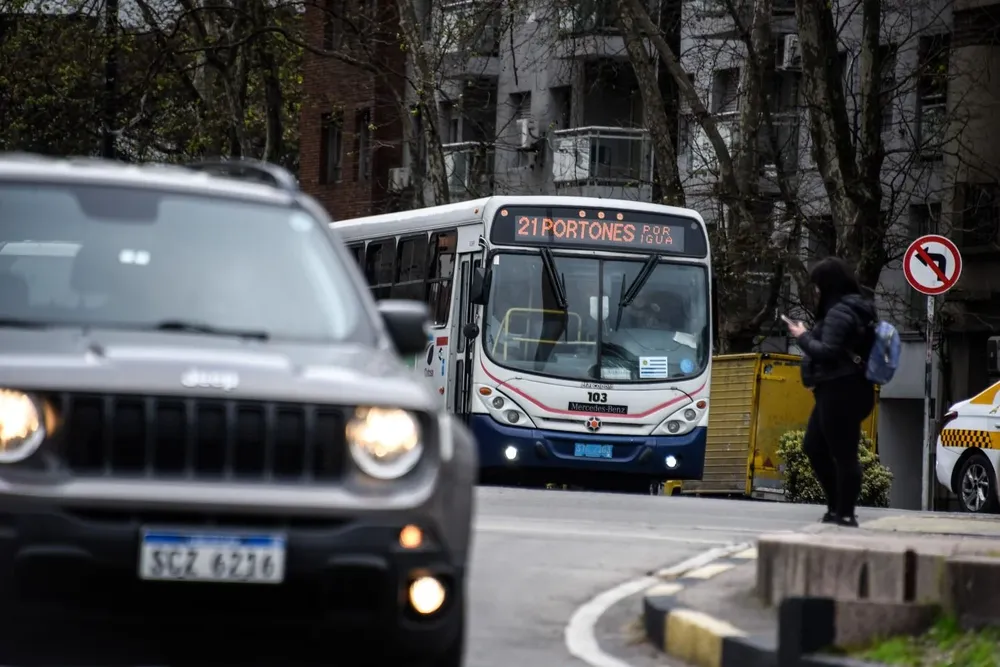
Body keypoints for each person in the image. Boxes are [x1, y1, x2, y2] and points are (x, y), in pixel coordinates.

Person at [784, 257, 876, 527]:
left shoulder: (840, 312)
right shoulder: (854, 308)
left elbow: (827, 352)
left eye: (817, 286)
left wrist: (802, 335)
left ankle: (844, 512)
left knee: (844, 453)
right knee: (814, 446)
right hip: (841, 389)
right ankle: (836, 507)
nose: (815, 292)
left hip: (842, 390)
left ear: (828, 286)